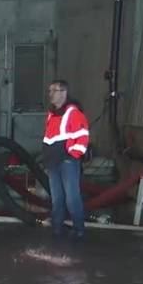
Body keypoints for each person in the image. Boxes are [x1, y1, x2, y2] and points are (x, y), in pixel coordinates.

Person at [43, 79, 89, 238]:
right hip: (53, 162)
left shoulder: (73, 113)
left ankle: (78, 229)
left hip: (67, 162)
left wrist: (71, 156)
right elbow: (49, 138)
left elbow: (82, 138)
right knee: (57, 198)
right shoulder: (52, 114)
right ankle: (58, 227)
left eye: (53, 91)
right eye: (50, 91)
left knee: (71, 197)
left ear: (63, 93)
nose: (50, 94)